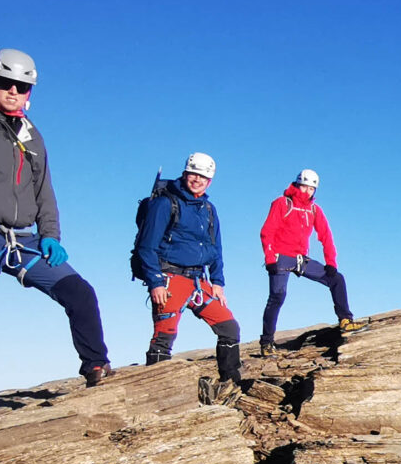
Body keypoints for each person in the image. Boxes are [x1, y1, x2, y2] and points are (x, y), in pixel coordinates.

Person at [0, 47, 111, 417]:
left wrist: (51, 235)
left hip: (24, 239)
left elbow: (43, 189)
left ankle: (96, 367)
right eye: (6, 83)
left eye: (23, 87)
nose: (14, 92)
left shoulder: (32, 136)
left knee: (80, 293)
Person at [133, 151, 244, 385]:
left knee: (229, 328)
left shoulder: (209, 210)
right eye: (193, 174)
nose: (197, 180)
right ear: (185, 173)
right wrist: (155, 281)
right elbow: (146, 246)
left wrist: (218, 283)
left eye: (203, 177)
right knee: (164, 337)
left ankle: (231, 384)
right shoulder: (165, 203)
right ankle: (157, 392)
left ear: (210, 181)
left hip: (198, 281)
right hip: (169, 279)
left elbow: (216, 249)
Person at [258, 168, 358, 348]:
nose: (307, 191)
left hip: (300, 258)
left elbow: (326, 236)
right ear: (297, 185)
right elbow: (267, 232)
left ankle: (345, 320)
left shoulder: (314, 210)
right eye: (304, 187)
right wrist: (270, 258)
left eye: (311, 189)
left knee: (336, 279)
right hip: (281, 258)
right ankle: (266, 343)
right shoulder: (282, 203)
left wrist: (331, 263)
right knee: (277, 296)